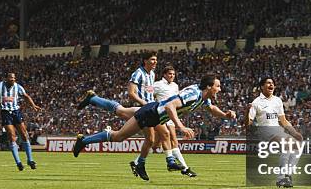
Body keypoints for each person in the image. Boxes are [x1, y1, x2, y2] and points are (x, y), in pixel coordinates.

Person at [73, 75, 236, 181]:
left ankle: (93, 99)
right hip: (151, 114)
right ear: (208, 86)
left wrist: (225, 115)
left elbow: (212, 108)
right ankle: (84, 140)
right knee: (119, 137)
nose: (219, 89)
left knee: (124, 114)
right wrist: (180, 126)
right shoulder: (193, 94)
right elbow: (171, 106)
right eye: (218, 86)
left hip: (154, 112)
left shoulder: (202, 97)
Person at [246, 77, 303, 188]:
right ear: (262, 87)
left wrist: (295, 133)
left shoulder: (277, 100)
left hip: (277, 129)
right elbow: (249, 122)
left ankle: (288, 175)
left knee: (297, 145)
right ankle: (281, 178)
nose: (271, 85)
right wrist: (246, 112)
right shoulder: (256, 102)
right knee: (287, 146)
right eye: (268, 83)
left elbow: (283, 120)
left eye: (272, 83)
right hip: (265, 131)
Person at [0, 72, 42, 171]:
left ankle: (30, 160)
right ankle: (18, 162)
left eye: (14, 78)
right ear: (6, 79)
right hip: (5, 112)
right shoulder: (0, 85)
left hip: (16, 112)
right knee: (12, 136)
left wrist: (33, 105)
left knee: (24, 135)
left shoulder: (18, 87)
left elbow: (26, 96)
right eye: (10, 78)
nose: (12, 80)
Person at [153, 65, 197, 177]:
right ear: (164, 74)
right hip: (162, 113)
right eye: (169, 74)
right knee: (172, 137)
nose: (172, 76)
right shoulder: (157, 85)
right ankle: (184, 168)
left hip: (172, 115)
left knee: (161, 142)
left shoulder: (175, 86)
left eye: (173, 74)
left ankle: (139, 160)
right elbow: (148, 94)